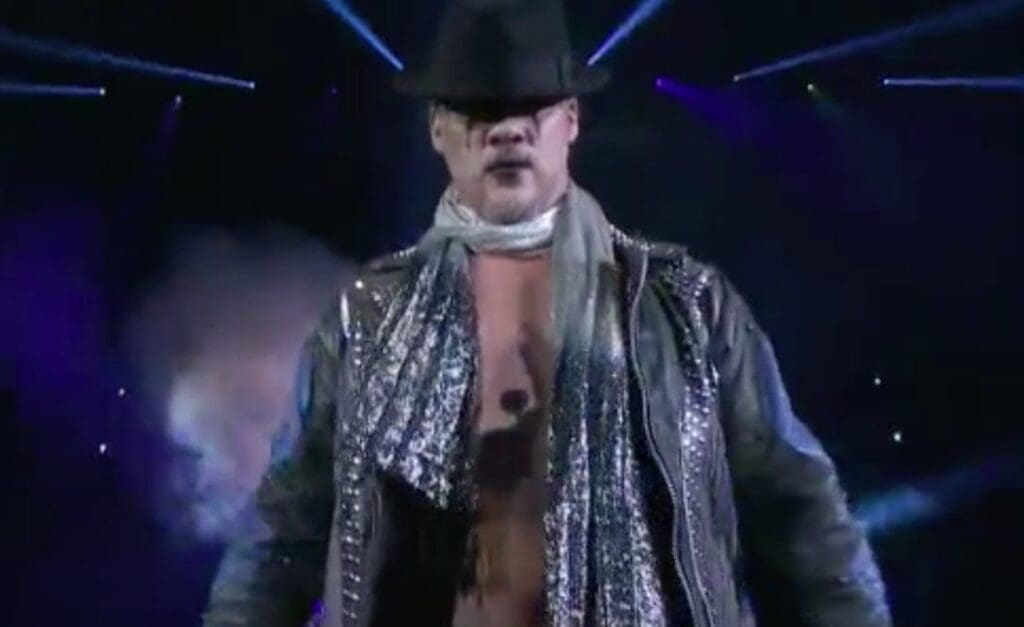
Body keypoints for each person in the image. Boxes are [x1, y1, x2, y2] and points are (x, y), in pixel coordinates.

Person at [203, 1, 891, 625]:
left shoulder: (688, 309)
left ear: (571, 121)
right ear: (438, 128)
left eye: (532, 105)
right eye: (479, 109)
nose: (508, 130)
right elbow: (283, 536)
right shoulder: (366, 321)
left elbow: (800, 514)